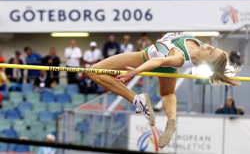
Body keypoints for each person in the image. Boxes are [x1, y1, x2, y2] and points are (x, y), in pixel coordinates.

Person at [89, 32, 240, 148]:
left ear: (206, 62)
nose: (208, 46)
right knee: (167, 93)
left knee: (93, 71)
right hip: (167, 65)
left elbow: (157, 61)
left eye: (211, 52)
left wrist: (137, 71)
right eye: (213, 47)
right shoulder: (198, 45)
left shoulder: (179, 58)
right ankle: (172, 119)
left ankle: (137, 100)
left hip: (146, 57)